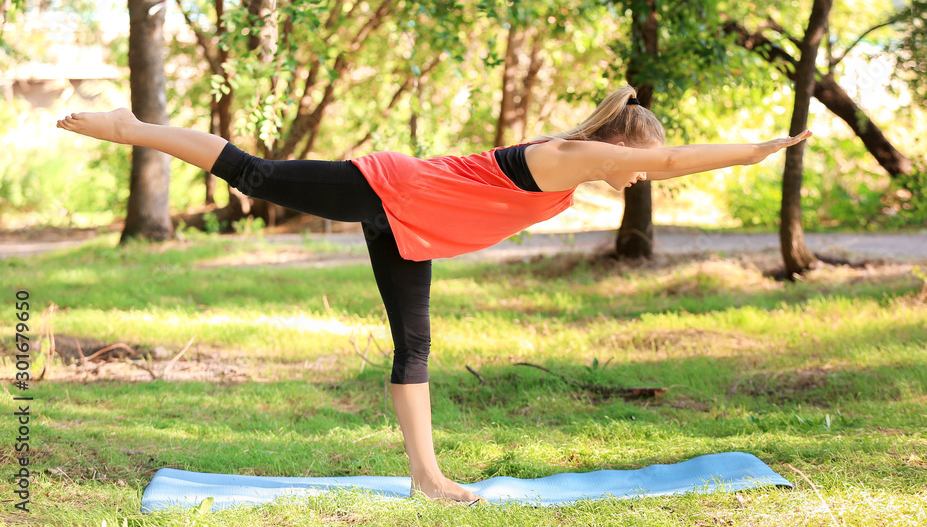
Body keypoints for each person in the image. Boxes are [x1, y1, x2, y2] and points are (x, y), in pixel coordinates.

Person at [56, 85, 811, 504]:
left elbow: (656, 159)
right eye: (642, 162)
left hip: (410, 225)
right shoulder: (567, 156)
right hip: (392, 188)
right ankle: (136, 127)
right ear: (619, 144)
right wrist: (752, 150)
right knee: (257, 174)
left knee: (414, 344)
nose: (647, 175)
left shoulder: (573, 173)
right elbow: (674, 157)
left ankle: (427, 476)